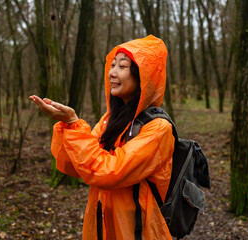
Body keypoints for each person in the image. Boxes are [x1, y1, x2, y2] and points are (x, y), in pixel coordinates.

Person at [30, 35, 175, 240]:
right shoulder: (110, 119)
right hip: (102, 227)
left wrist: (74, 124)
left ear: (144, 75)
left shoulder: (158, 128)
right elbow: (77, 166)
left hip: (139, 231)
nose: (112, 73)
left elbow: (109, 172)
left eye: (122, 67)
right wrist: (67, 126)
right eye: (112, 65)